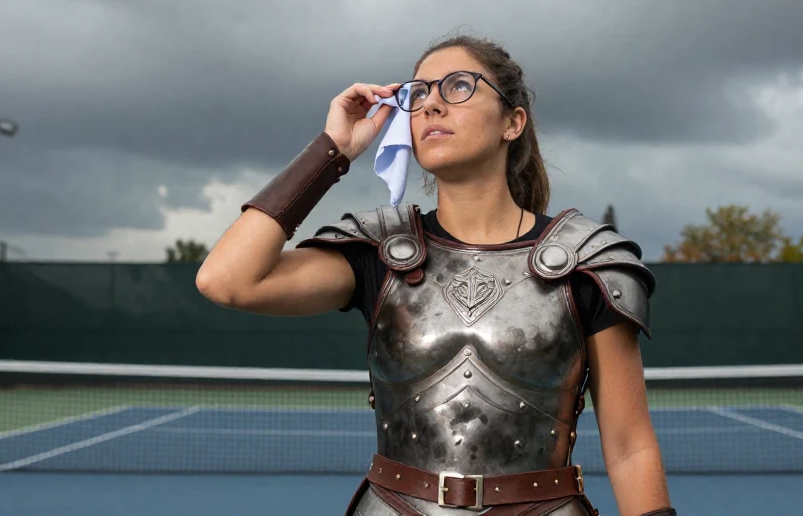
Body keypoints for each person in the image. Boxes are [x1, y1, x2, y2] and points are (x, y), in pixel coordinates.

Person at [196, 34, 675, 516]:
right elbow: (228, 281)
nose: (431, 105)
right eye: (419, 93)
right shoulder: (379, 251)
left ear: (513, 122)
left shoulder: (586, 260)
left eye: (459, 86)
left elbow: (629, 446)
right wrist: (332, 151)